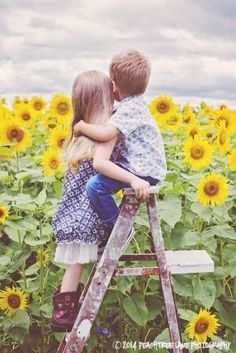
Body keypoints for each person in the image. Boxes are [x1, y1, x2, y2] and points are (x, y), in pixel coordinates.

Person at [51, 70, 148, 332]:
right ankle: (72, 314)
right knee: (86, 259)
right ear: (104, 101)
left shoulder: (78, 138)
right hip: (89, 219)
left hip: (71, 217)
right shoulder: (103, 137)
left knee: (75, 265)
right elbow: (109, 169)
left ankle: (62, 315)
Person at [73, 49, 167, 236]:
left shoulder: (129, 109)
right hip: (142, 167)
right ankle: (116, 228)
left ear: (114, 85)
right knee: (98, 183)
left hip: (141, 171)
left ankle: (119, 231)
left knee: (95, 186)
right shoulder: (134, 105)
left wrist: (82, 126)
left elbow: (106, 133)